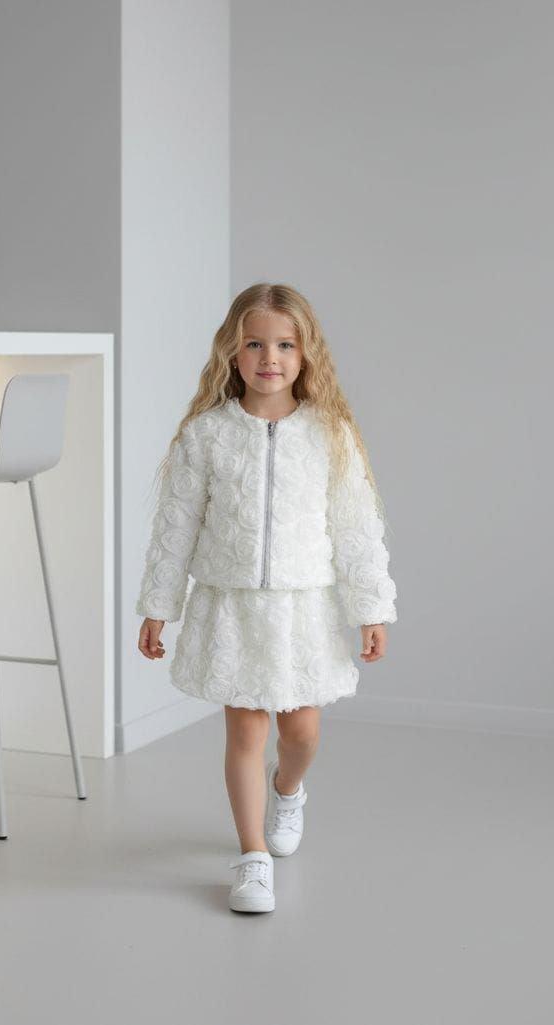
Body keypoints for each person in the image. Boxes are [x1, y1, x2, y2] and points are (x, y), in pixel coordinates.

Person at [135, 282, 398, 914]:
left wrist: (371, 607)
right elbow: (175, 527)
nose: (269, 358)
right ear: (232, 351)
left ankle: (289, 789)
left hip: (304, 609)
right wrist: (159, 606)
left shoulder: (330, 434)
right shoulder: (207, 436)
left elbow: (357, 527)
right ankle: (252, 857)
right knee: (246, 731)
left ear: (306, 355)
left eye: (284, 345)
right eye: (254, 344)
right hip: (233, 607)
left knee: (301, 732)